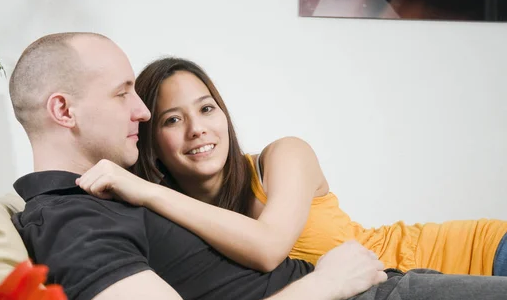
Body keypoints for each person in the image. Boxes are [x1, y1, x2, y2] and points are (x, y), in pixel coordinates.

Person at [9, 31, 507, 300]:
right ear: (63, 110)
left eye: (207, 108)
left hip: (436, 261)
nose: (138, 113)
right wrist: (327, 282)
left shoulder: (114, 191)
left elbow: (263, 250)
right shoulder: (70, 216)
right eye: (124, 95)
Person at [79, 56, 507, 276]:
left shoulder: (284, 156)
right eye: (173, 119)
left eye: (207, 109)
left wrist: (148, 190)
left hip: (478, 257)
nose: (198, 129)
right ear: (153, 143)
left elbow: (268, 248)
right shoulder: (169, 219)